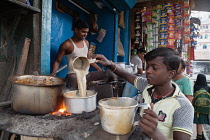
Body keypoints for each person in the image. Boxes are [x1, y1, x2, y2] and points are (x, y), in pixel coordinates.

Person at [94, 47, 194, 140]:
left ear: (171, 73)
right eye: (148, 66)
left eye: (154, 68)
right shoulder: (147, 86)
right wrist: (109, 64)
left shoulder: (183, 106)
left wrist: (155, 133)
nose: (148, 71)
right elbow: (125, 74)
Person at [52, 19, 107, 89]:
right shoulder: (67, 44)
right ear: (76, 30)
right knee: (74, 78)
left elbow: (88, 59)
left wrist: (100, 70)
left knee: (107, 74)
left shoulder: (86, 42)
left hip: (86, 74)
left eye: (87, 32)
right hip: (73, 74)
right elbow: (57, 61)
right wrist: (53, 76)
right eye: (83, 32)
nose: (85, 34)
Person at [192, 74, 210, 140]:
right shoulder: (207, 87)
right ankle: (202, 136)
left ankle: (199, 138)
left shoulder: (196, 87)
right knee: (202, 122)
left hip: (198, 108)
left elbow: (193, 97)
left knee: (199, 123)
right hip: (206, 108)